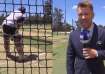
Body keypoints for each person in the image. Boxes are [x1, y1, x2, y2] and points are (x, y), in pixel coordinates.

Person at [67, 2, 105, 74]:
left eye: (86, 14)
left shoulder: (103, 32)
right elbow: (70, 58)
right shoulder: (73, 35)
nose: (83, 17)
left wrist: (97, 53)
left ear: (92, 15)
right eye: (80, 14)